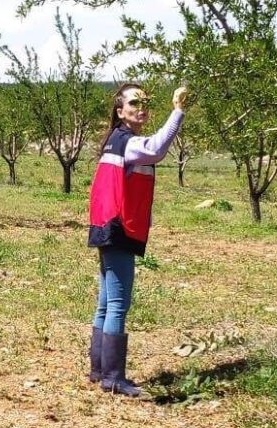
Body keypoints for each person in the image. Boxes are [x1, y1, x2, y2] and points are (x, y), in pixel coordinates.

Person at [87, 83, 188, 397]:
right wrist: (178, 111)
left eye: (145, 102)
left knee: (106, 303)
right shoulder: (127, 143)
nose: (141, 108)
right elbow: (156, 148)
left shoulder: (115, 141)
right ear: (120, 111)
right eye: (134, 103)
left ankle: (99, 370)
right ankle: (113, 378)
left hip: (107, 225)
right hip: (119, 227)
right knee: (118, 304)